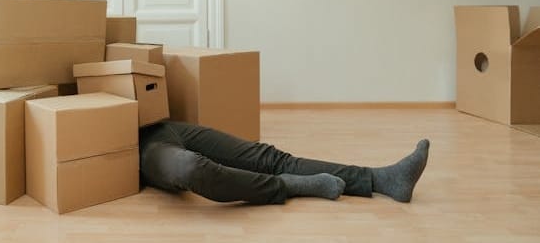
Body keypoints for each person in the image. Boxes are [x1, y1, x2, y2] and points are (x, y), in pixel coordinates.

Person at [139, 120, 429, 204]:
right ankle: (285, 186)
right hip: (137, 146)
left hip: (160, 124)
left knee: (269, 157)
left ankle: (381, 179)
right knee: (193, 169)